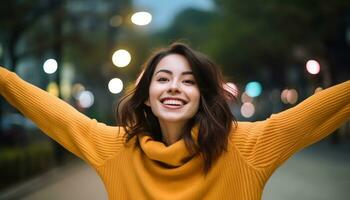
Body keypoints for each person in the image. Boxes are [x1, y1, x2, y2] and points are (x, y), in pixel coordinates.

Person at [0, 42, 349, 200]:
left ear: (202, 95)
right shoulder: (116, 148)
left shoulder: (246, 146)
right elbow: (53, 113)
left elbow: (317, 111)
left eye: (189, 80)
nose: (174, 88)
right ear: (147, 95)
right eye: (163, 78)